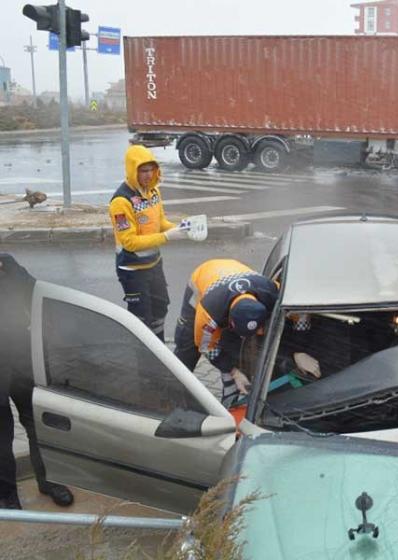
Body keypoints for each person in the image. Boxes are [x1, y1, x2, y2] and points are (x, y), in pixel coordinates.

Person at [0, 254, 74, 509]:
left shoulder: (7, 265)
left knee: (38, 425)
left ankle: (48, 481)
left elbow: (37, 295)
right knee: (2, 437)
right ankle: (7, 495)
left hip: (22, 361)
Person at [109, 145, 199, 341]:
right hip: (132, 270)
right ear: (132, 170)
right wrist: (168, 237)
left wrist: (180, 230)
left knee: (160, 309)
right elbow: (129, 242)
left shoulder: (154, 192)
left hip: (154, 265)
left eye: (151, 170)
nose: (148, 175)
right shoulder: (120, 202)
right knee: (142, 319)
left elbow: (160, 223)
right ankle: (145, 364)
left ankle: (159, 351)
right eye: (143, 170)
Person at [173, 259, 279, 407]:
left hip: (233, 271)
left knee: (233, 345)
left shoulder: (272, 292)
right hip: (203, 277)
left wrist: (298, 352)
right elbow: (206, 347)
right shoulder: (208, 313)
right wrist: (234, 372)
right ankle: (174, 396)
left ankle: (230, 390)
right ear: (230, 321)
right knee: (188, 344)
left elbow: (297, 316)